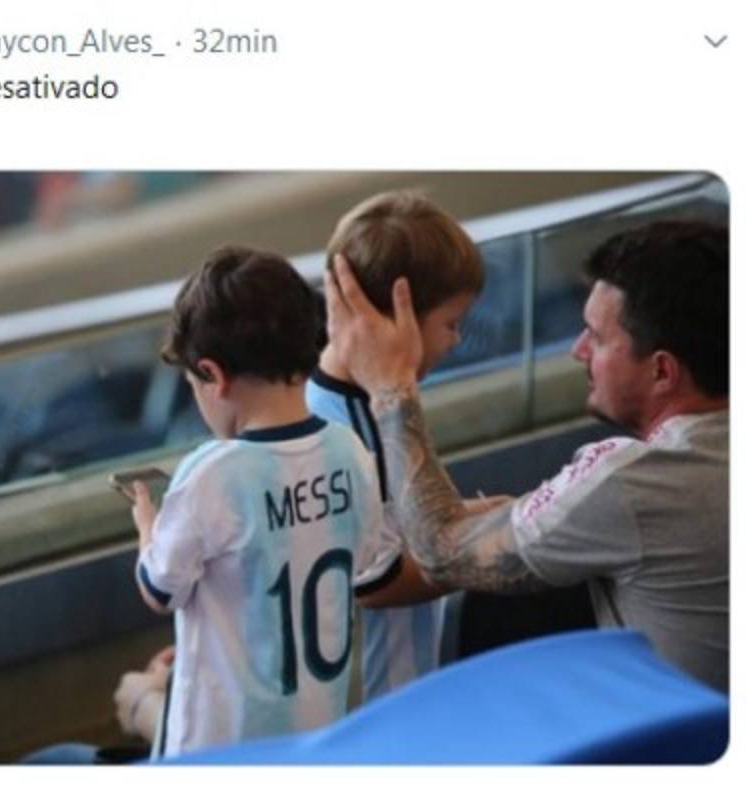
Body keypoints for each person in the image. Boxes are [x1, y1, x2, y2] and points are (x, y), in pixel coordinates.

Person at [322, 220, 728, 692]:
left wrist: (391, 386)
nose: (577, 350)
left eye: (596, 338)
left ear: (662, 371)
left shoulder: (633, 483)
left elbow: (440, 552)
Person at [130, 245, 384, 757]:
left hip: (220, 754)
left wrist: (147, 529)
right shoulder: (350, 451)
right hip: (313, 742)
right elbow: (358, 560)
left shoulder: (211, 473)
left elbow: (160, 590)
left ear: (213, 375)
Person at [305, 191, 502, 702]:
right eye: (451, 324)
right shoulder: (357, 430)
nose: (456, 340)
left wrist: (480, 514)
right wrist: (498, 541)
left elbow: (394, 524)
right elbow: (379, 583)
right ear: (398, 315)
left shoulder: (332, 400)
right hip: (383, 698)